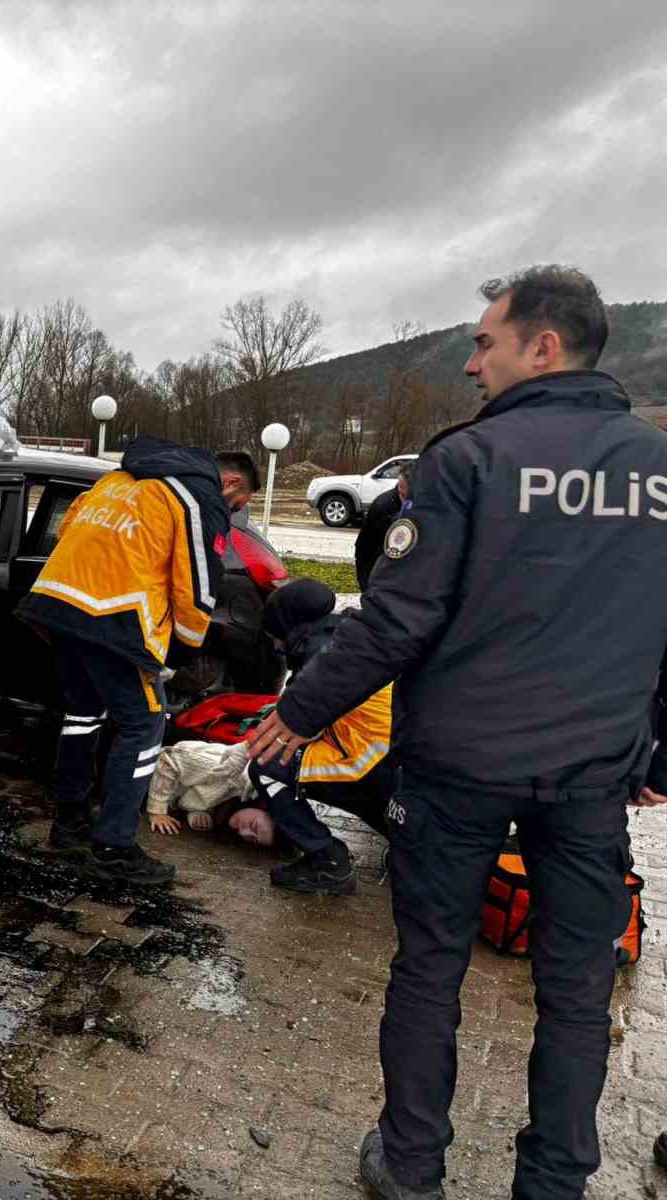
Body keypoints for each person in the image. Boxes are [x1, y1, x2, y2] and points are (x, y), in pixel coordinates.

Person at [247, 266, 667, 1200]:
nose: (472, 361)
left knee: (432, 969)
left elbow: (396, 623)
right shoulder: (657, 468)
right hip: (592, 778)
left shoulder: (468, 460)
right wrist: (657, 750)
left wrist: (295, 713)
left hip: (460, 771)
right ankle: (554, 1184)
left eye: (485, 341)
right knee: (573, 994)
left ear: (542, 346)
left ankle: (410, 1166)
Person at [18, 439, 253, 884]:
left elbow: (71, 529)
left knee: (82, 715)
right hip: (117, 618)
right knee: (146, 725)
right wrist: (176, 653)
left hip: (58, 605)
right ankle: (114, 847)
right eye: (239, 504)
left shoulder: (118, 478)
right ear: (231, 481)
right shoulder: (197, 498)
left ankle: (70, 821)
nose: (235, 511)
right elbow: (199, 587)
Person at [237, 579, 394, 895]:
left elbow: (296, 730)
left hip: (366, 757)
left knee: (267, 766)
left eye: (273, 637)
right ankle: (404, 838)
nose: (274, 646)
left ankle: (328, 860)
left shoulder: (316, 658)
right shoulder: (343, 634)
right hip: (396, 752)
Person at [354, 462, 412, 592]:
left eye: (409, 496)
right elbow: (364, 550)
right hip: (383, 581)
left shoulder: (432, 506)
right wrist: (366, 587)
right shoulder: (383, 506)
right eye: (401, 494)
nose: (405, 501)